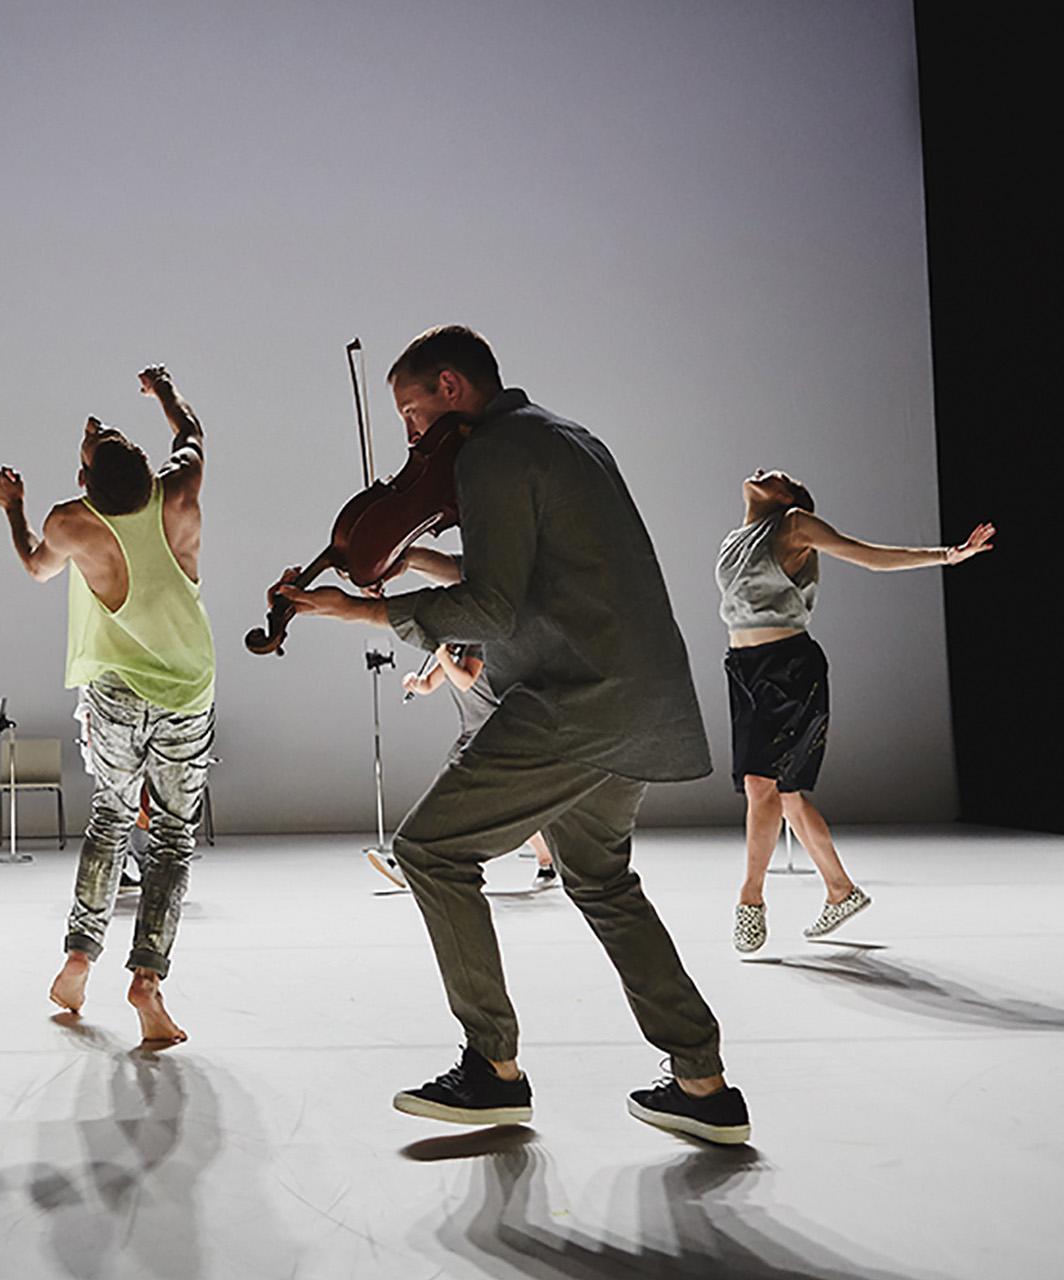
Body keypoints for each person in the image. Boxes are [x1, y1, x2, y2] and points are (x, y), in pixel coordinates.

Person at [273, 325, 748, 1143]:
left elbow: (492, 610)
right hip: (636, 692)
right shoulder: (566, 439)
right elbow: (531, 579)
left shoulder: (490, 454)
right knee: (600, 880)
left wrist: (364, 610)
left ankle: (492, 1069)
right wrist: (411, 564)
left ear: (452, 386)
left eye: (413, 413)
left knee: (429, 851)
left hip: (576, 700)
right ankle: (703, 1084)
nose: (413, 438)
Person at [0, 364, 214, 1047]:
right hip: (187, 689)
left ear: (86, 484)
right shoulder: (178, 491)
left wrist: (13, 505)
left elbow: (33, 563)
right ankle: (147, 979)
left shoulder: (74, 522)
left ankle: (79, 959)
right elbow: (193, 433)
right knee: (173, 838)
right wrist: (163, 394)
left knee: (111, 819)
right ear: (147, 469)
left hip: (116, 692)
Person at [719, 468, 992, 951]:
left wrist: (948, 556)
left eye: (777, 476)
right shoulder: (735, 539)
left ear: (788, 497)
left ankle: (751, 899)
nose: (763, 472)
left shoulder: (795, 524)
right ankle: (840, 890)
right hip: (743, 668)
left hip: (787, 668)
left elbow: (869, 557)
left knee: (762, 785)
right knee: (785, 795)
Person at [373, 547, 556, 892]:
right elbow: (433, 682)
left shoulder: (479, 641)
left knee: (494, 803)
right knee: (478, 798)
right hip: (470, 734)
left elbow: (466, 679)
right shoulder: (455, 644)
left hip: (493, 735)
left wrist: (441, 650)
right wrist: (417, 681)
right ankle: (548, 862)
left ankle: (417, 859)